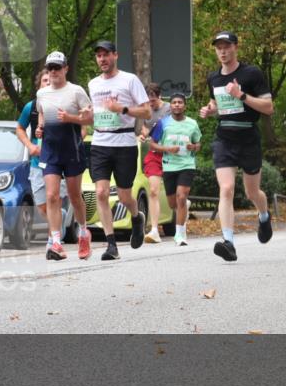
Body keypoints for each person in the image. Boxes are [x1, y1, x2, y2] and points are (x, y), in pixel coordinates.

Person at [198, 31, 275, 262]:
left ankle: (264, 215)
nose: (222, 51)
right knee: (227, 189)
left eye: (226, 46)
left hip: (248, 137)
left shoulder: (251, 73)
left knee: (253, 192)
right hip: (225, 139)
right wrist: (210, 110)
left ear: (235, 47)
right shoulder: (214, 78)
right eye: (218, 47)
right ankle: (228, 242)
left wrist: (241, 95)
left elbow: (268, 107)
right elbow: (217, 103)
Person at [85, 41, 151, 261]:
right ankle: (111, 244)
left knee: (124, 196)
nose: (102, 59)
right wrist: (85, 115)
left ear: (116, 55)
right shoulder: (93, 84)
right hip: (100, 142)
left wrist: (121, 108)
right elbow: (94, 112)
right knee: (101, 193)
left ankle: (136, 216)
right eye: (99, 56)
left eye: (106, 55)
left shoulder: (129, 80)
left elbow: (147, 111)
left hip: (124, 143)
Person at [38, 51, 93, 260]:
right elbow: (41, 112)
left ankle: (83, 232)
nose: (53, 72)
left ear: (65, 69)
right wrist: (41, 127)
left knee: (74, 195)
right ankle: (56, 241)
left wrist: (70, 117)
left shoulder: (76, 91)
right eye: (50, 68)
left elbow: (89, 119)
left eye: (57, 68)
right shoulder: (42, 94)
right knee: (51, 195)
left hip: (72, 149)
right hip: (50, 150)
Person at [149, 93, 201, 246]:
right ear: (170, 106)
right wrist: (167, 148)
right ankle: (183, 210)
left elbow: (198, 144)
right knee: (173, 204)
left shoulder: (192, 123)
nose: (177, 105)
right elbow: (152, 144)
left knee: (181, 197)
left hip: (187, 165)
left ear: (184, 106)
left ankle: (180, 234)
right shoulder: (162, 123)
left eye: (180, 102)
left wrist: (194, 147)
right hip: (169, 165)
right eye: (174, 102)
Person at [16, 70, 53, 224]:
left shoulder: (65, 104)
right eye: (45, 80)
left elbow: (81, 129)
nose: (48, 83)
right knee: (42, 207)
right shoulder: (30, 107)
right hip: (38, 162)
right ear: (39, 86)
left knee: (54, 200)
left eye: (51, 80)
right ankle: (59, 219)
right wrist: (30, 146)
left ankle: (54, 240)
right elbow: (19, 128)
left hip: (58, 161)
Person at [140, 82, 171, 244]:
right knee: (153, 190)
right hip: (154, 153)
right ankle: (154, 230)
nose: (150, 104)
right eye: (148, 101)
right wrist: (143, 135)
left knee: (175, 195)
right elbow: (146, 128)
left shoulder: (169, 108)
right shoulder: (148, 110)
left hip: (171, 153)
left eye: (153, 101)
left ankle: (183, 207)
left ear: (159, 96)